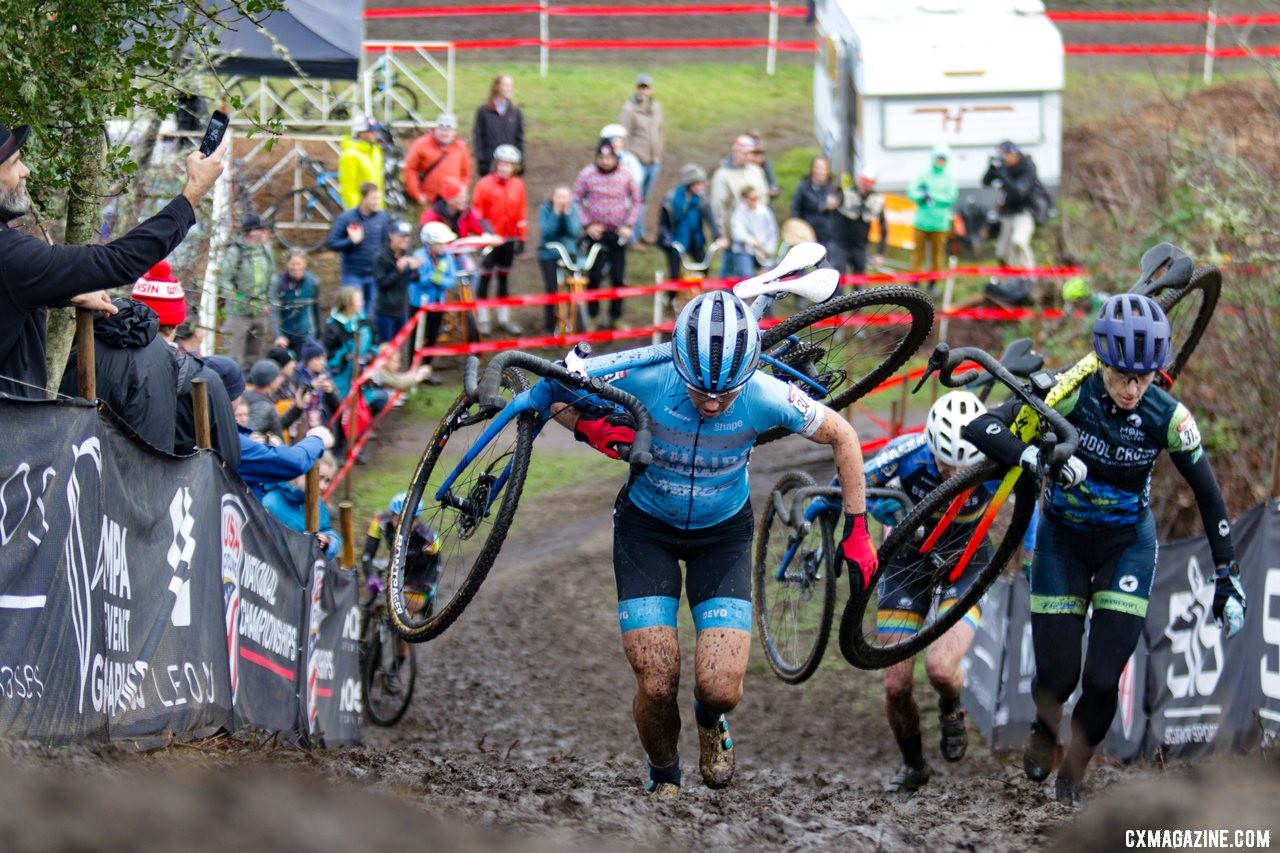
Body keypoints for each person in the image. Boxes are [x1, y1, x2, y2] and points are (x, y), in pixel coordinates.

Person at [541, 291, 877, 798]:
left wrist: (857, 529)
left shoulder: (767, 394)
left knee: (720, 688)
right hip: (645, 530)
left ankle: (709, 718)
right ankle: (665, 775)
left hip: (722, 537)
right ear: (679, 363)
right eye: (700, 391)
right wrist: (595, 429)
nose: (713, 403)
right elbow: (555, 391)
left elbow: (844, 436)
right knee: (656, 681)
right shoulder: (645, 374)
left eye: (726, 392)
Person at [963, 294, 1245, 808]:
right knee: (1057, 676)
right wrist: (1030, 457)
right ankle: (1045, 729)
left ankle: (1073, 773)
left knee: (1099, 680)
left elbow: (1208, 494)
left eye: (1146, 376)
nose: (1134, 388)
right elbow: (980, 426)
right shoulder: (1069, 394)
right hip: (1062, 542)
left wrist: (1228, 572)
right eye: (1123, 376)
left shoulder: (1169, 417)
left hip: (1126, 548)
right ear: (1103, 362)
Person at [0, 122, 224, 399]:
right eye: (15, 163)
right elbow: (118, 261)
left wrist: (63, 292)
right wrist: (192, 194)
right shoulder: (12, 256)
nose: (26, 171)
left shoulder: (15, 262)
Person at [862, 391, 991, 793]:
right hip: (908, 563)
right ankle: (914, 764)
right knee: (896, 685)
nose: (954, 474)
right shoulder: (908, 451)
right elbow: (852, 480)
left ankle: (952, 705)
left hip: (966, 563)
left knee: (940, 669)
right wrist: (870, 504)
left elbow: (1033, 498)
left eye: (963, 466)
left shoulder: (997, 457)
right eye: (944, 463)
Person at [204, 355, 334, 499]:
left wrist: (297, 407)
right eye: (277, 376)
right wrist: (316, 440)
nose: (281, 380)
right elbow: (253, 435)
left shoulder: (255, 396)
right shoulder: (262, 407)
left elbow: (275, 424)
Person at [60, 295, 178, 452]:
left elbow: (65, 432)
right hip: (156, 465)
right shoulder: (160, 347)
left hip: (117, 467)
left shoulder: (89, 358)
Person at [572, 141, 639, 331]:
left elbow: (637, 200)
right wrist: (587, 224)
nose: (606, 161)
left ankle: (615, 318)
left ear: (615, 158)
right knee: (594, 276)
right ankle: (592, 317)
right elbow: (575, 200)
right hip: (596, 233)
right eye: (601, 158)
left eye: (609, 158)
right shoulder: (587, 174)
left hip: (618, 233)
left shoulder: (626, 174)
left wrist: (629, 225)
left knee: (618, 276)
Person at [471, 144, 527, 336]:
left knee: (504, 278)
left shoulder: (518, 185)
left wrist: (522, 236)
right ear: (496, 164)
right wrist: (487, 233)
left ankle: (504, 318)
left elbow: (521, 212)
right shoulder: (484, 184)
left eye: (509, 165)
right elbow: (477, 213)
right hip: (489, 239)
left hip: (509, 239)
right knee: (485, 278)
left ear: (514, 167)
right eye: (502, 164)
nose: (504, 169)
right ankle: (484, 318)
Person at [361, 491, 442, 617]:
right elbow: (367, 555)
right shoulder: (380, 522)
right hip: (399, 566)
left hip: (420, 572)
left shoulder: (428, 537)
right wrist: (370, 577)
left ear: (418, 519)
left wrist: (428, 584)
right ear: (391, 515)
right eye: (398, 519)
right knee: (373, 597)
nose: (404, 526)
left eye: (410, 521)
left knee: (409, 609)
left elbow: (435, 565)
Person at [219, 213, 276, 367]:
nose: (266, 233)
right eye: (261, 230)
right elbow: (225, 282)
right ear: (251, 232)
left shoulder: (266, 250)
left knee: (253, 359)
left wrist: (267, 302)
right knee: (233, 359)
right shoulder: (235, 252)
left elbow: (272, 279)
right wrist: (243, 300)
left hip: (260, 314)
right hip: (238, 315)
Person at [262, 453, 342, 559]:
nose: (323, 486)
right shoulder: (270, 503)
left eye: (327, 481)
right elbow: (268, 547)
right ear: (300, 472)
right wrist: (307, 544)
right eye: (319, 478)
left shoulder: (316, 501)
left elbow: (325, 528)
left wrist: (328, 542)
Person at [709, 135, 768, 279]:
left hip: (756, 233)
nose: (749, 157)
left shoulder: (756, 172)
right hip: (734, 234)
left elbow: (764, 198)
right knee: (733, 272)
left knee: (761, 270)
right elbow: (718, 206)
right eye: (746, 153)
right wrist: (722, 233)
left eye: (751, 153)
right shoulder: (722, 175)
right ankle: (724, 298)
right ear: (735, 151)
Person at [325, 182, 390, 310]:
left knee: (371, 314)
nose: (377, 202)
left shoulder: (383, 218)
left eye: (378, 198)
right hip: (353, 275)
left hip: (374, 275)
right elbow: (332, 243)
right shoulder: (347, 218)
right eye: (373, 199)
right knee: (352, 309)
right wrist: (351, 241)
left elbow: (386, 245)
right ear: (363, 198)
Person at [617, 73, 665, 243]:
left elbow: (661, 131)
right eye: (641, 87)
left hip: (653, 161)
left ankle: (640, 231)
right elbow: (623, 135)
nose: (643, 91)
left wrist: (659, 154)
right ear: (636, 88)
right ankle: (632, 237)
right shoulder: (629, 109)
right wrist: (628, 159)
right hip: (637, 161)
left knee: (644, 200)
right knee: (633, 200)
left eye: (646, 87)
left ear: (651, 89)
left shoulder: (656, 107)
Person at [657, 164, 723, 285]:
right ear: (690, 184)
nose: (701, 187)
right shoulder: (672, 199)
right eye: (698, 184)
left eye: (702, 183)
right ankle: (672, 300)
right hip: (675, 239)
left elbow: (710, 218)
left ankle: (697, 296)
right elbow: (663, 223)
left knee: (703, 265)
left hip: (694, 238)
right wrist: (667, 239)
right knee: (674, 275)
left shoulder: (702, 199)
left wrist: (718, 236)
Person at [981, 140, 1039, 270]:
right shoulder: (1005, 168)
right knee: (1002, 252)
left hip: (1023, 212)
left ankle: (1029, 274)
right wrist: (992, 169)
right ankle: (1009, 281)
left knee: (1019, 242)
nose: (1004, 158)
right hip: (1007, 214)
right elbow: (985, 182)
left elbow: (1019, 191)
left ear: (1014, 154)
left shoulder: (1026, 167)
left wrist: (1004, 175)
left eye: (1006, 154)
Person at [403, 112, 472, 216]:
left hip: (451, 201)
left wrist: (461, 191)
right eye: (441, 129)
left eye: (448, 130)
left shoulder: (461, 147)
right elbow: (410, 170)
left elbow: (465, 172)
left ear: (454, 132)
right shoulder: (421, 144)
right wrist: (417, 194)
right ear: (436, 129)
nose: (444, 133)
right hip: (428, 199)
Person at [413, 221, 461, 368]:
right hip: (418, 303)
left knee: (432, 336)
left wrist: (439, 280)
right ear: (429, 243)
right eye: (440, 243)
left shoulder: (447, 257)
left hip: (438, 303)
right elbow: (418, 280)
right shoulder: (419, 256)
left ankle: (426, 368)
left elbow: (452, 279)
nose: (443, 246)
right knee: (416, 338)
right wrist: (433, 278)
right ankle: (412, 368)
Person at [908, 144, 958, 280]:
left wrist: (933, 196)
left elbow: (951, 197)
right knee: (918, 254)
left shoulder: (950, 178)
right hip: (921, 221)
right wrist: (921, 196)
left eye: (943, 158)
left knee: (937, 255)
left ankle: (933, 282)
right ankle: (915, 283)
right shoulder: (923, 175)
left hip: (940, 222)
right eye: (938, 158)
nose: (940, 161)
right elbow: (911, 191)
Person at [536, 186, 580, 336]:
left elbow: (574, 232)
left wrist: (566, 215)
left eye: (565, 197)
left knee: (572, 288)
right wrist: (555, 213)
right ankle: (549, 327)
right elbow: (547, 232)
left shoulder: (573, 209)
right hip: (548, 253)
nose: (562, 200)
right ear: (553, 197)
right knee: (551, 289)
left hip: (568, 253)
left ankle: (573, 322)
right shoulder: (545, 209)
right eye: (559, 196)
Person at [371, 220, 422, 344]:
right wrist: (398, 270)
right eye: (401, 236)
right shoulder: (381, 256)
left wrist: (415, 270)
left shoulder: (407, 253)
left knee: (400, 346)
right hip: (385, 311)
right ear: (391, 235)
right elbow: (381, 283)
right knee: (386, 347)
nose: (405, 240)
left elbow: (415, 280)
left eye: (407, 236)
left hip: (402, 308)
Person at [835, 166, 888, 276]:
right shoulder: (846, 194)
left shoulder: (877, 200)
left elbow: (883, 227)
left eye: (868, 183)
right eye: (863, 182)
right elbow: (828, 210)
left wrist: (880, 253)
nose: (864, 186)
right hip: (840, 245)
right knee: (838, 281)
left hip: (861, 246)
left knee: (860, 286)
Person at [790, 155, 840, 266]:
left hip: (827, 237)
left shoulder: (833, 188)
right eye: (817, 167)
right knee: (799, 268)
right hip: (805, 236)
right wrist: (797, 231)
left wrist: (835, 205)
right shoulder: (803, 187)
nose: (820, 171)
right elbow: (795, 211)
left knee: (827, 269)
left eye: (823, 168)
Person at [473, 74, 524, 179]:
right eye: (505, 85)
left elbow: (519, 139)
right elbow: (478, 137)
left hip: (510, 163)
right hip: (489, 163)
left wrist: (521, 161)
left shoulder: (515, 112)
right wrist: (482, 160)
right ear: (496, 87)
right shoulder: (483, 111)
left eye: (510, 85)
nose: (509, 88)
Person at [274, 250, 320, 352]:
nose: (296, 268)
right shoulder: (278, 283)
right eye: (292, 264)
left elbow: (316, 310)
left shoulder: (312, 283)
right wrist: (279, 335)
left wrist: (317, 335)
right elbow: (275, 312)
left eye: (299, 264)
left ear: (305, 264)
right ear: (287, 264)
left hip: (306, 333)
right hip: (285, 335)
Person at [729, 186, 778, 279]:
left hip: (763, 250)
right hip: (744, 250)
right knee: (746, 276)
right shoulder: (739, 214)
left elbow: (772, 233)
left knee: (769, 275)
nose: (755, 201)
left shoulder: (765, 212)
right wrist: (748, 239)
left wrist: (767, 250)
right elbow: (737, 233)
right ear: (745, 199)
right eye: (752, 198)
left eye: (757, 198)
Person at [338, 114, 385, 210]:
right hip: (361, 211)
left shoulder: (375, 151)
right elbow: (348, 188)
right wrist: (355, 213)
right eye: (370, 131)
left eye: (375, 130)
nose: (375, 133)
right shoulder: (350, 155)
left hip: (375, 208)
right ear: (360, 133)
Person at [599, 124, 645, 221]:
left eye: (618, 141)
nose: (616, 144)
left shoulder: (630, 160)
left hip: (626, 204)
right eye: (613, 141)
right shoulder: (600, 160)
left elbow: (637, 178)